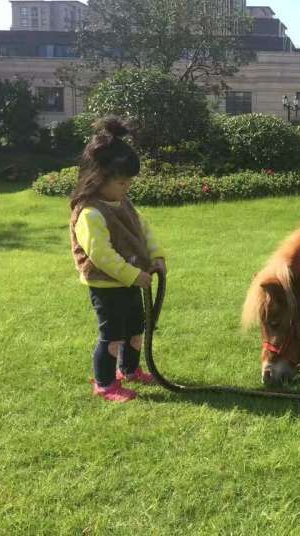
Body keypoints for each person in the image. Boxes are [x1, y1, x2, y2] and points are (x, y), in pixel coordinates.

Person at [69, 117, 167, 402]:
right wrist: (132, 274)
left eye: (129, 182)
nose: (127, 188)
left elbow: (142, 231)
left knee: (135, 329)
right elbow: (101, 255)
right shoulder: (90, 213)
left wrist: (157, 256)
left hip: (130, 281)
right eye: (122, 182)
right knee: (112, 337)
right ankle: (105, 383)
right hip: (107, 286)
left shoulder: (123, 204)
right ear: (97, 178)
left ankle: (130, 370)